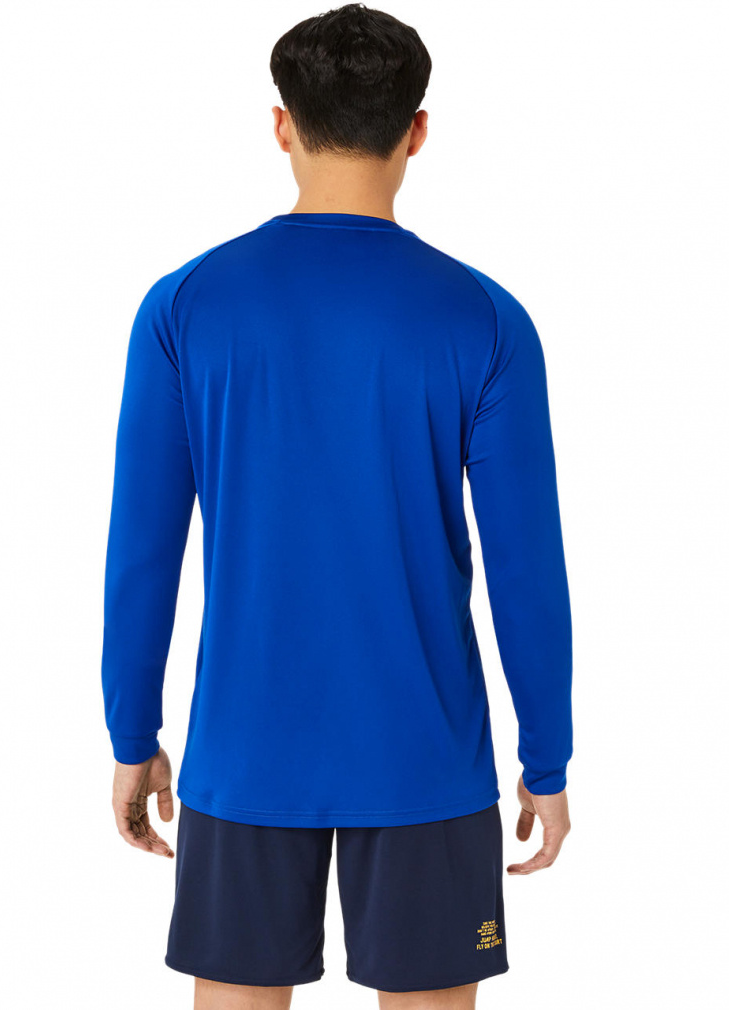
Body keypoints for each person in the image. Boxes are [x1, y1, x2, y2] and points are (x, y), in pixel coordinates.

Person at [101, 5, 573, 1009]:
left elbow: (142, 552)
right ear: (417, 130)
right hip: (425, 759)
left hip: (243, 753)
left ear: (282, 126)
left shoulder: (183, 307)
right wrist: (545, 754)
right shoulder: (486, 320)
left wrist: (132, 734)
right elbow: (526, 568)